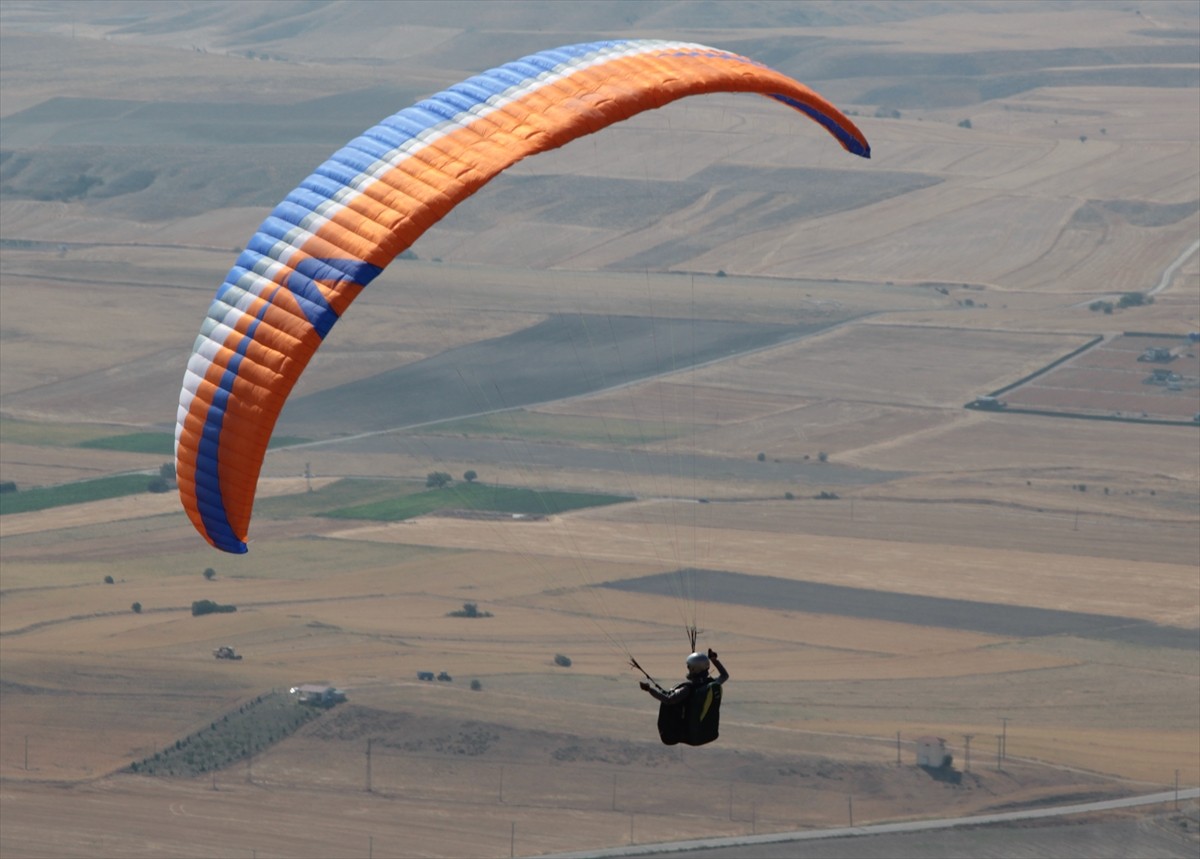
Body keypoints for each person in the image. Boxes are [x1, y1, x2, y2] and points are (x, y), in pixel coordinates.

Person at [640, 648, 728, 745]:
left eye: (689, 666)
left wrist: (649, 690)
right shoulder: (711, 684)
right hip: (705, 734)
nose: (688, 668)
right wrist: (714, 660)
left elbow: (668, 700)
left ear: (694, 669)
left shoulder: (688, 689)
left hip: (690, 735)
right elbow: (724, 676)